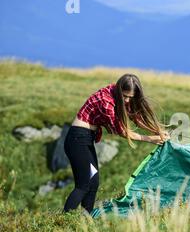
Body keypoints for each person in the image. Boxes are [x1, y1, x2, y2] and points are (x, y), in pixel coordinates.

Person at [63, 74, 169, 214]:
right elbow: (123, 132)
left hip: (86, 139)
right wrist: (150, 139)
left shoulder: (116, 93)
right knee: (83, 184)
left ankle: (85, 219)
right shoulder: (106, 102)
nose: (126, 100)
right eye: (125, 96)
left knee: (93, 182)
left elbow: (135, 118)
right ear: (119, 89)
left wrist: (158, 131)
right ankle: (64, 219)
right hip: (77, 139)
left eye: (130, 98)